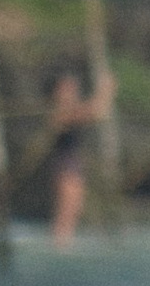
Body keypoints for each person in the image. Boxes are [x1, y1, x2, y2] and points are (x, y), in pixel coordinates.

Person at [43, 60, 108, 244]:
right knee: (66, 208)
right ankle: (60, 244)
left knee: (75, 207)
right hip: (64, 164)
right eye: (68, 88)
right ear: (59, 90)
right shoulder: (59, 112)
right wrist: (106, 90)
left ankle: (63, 242)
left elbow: (94, 112)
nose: (73, 92)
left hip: (73, 162)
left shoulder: (68, 110)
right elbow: (94, 112)